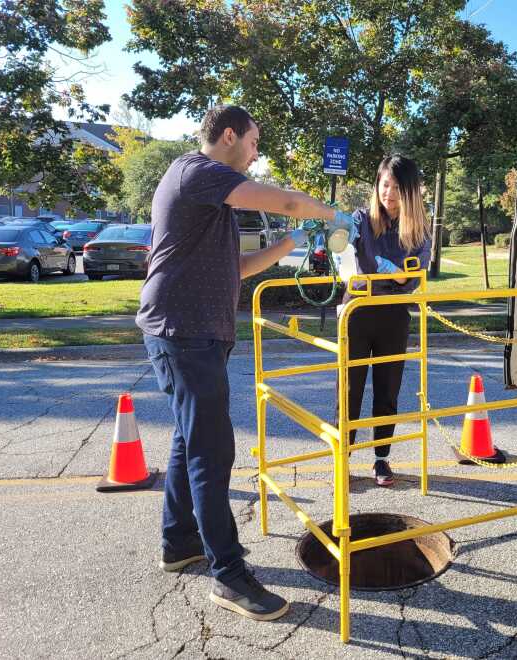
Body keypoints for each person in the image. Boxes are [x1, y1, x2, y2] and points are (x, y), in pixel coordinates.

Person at [137, 105, 357, 621]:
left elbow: (238, 269)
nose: (256, 153)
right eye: (255, 142)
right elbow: (284, 198)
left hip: (189, 334)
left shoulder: (210, 197)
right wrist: (331, 214)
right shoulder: (198, 173)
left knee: (189, 440)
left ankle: (179, 542)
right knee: (212, 452)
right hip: (182, 334)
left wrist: (294, 242)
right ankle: (229, 577)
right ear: (229, 135)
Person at [342, 155, 431, 487]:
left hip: (394, 314)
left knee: (387, 388)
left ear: (409, 192)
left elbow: (414, 276)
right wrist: (338, 237)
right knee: (349, 389)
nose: (388, 193)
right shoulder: (361, 219)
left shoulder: (418, 229)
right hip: (357, 311)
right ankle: (344, 456)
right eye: (384, 185)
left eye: (396, 187)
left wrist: (396, 275)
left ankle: (381, 458)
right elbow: (346, 252)